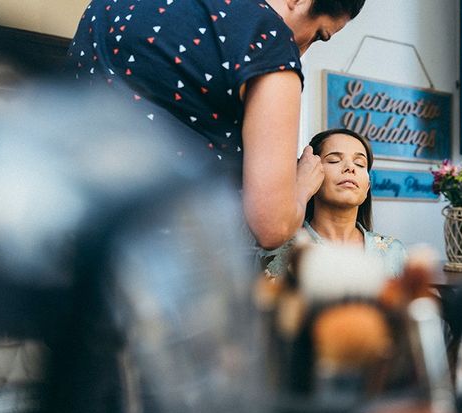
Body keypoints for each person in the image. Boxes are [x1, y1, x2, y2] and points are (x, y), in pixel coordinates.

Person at [67, 0, 365, 249]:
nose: (303, 50)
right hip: (160, 265)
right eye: (318, 34)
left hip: (63, 236)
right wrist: (300, 186)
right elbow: (271, 226)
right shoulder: (266, 39)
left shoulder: (107, 5)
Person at [260, 128, 407, 277]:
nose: (350, 168)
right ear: (312, 174)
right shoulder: (279, 249)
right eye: (334, 160)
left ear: (368, 185)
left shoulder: (393, 251)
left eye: (360, 164)